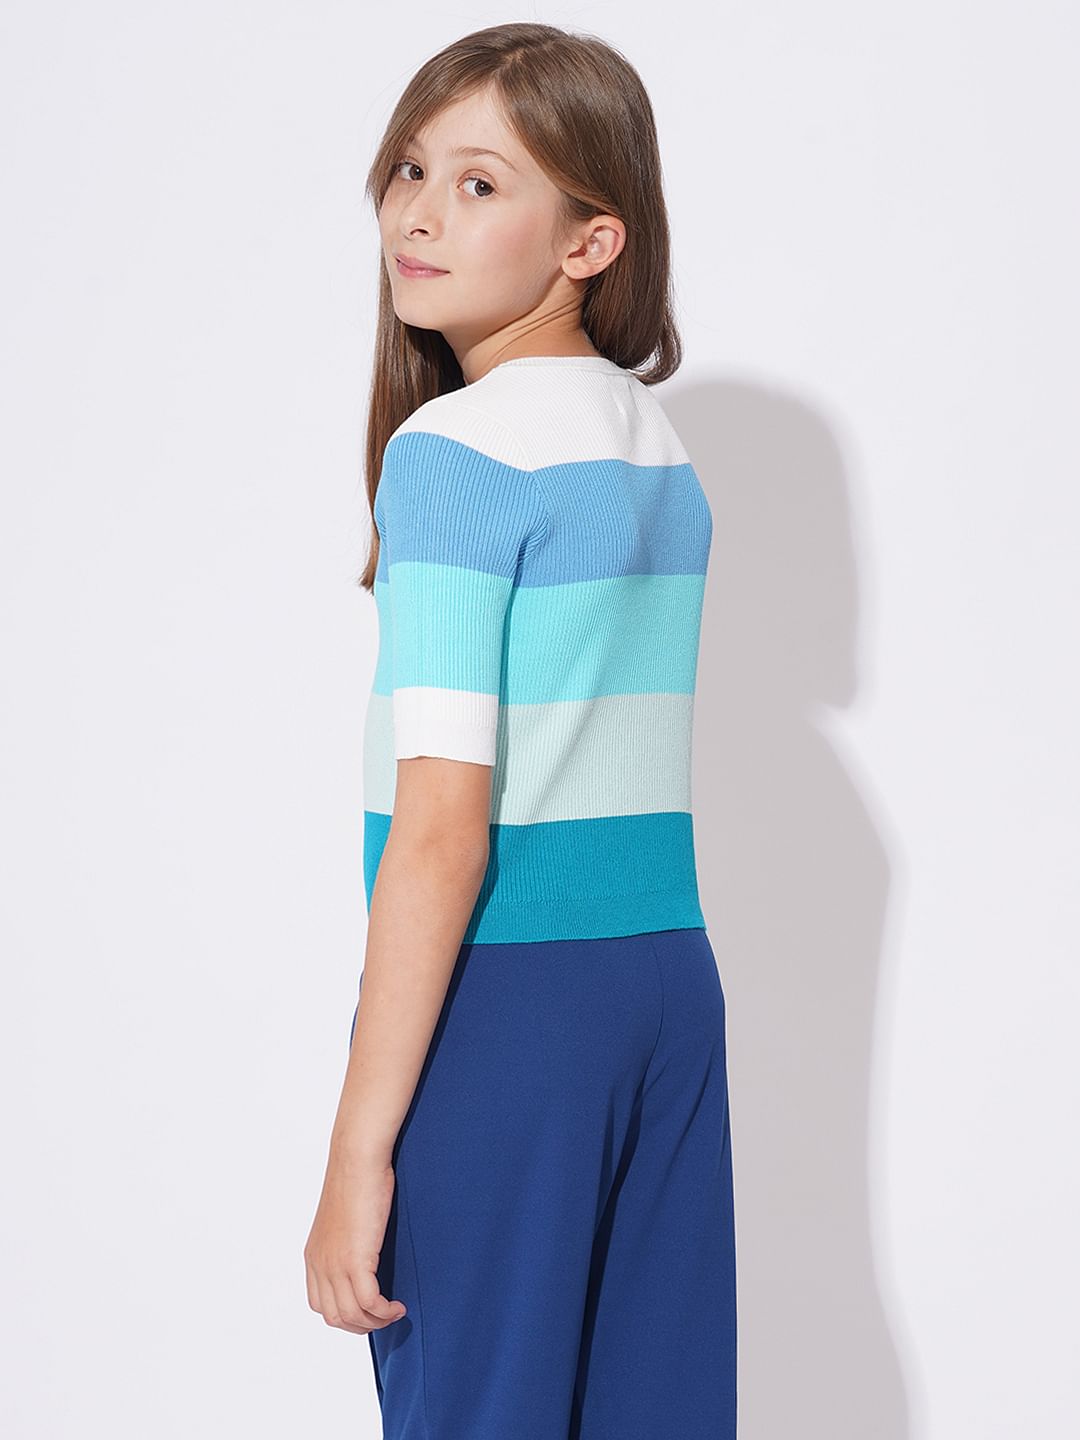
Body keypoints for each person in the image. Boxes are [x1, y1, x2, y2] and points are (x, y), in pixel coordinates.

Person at [304, 21, 736, 1439]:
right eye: (411, 168)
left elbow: (441, 827)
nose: (420, 213)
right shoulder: (658, 449)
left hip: (505, 1008)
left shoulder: (453, 453)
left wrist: (357, 1149)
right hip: (663, 987)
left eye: (481, 183)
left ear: (590, 243)